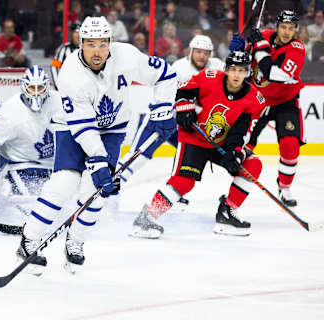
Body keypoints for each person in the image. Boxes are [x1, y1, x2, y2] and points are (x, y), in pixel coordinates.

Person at [16, 16, 177, 275]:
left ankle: (75, 242)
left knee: (96, 189)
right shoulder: (70, 74)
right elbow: (84, 129)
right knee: (65, 182)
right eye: (91, 44)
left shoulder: (127, 56)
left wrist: (163, 109)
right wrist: (99, 161)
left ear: (111, 43)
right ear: (81, 44)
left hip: (113, 129)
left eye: (103, 44)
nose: (98, 51)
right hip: (72, 128)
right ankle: (29, 240)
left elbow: (166, 75)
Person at [131, 50, 266, 239]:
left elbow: (241, 131)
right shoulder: (209, 77)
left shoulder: (253, 99)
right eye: (233, 69)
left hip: (222, 143)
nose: (236, 74)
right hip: (194, 138)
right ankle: (147, 217)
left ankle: (227, 212)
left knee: (253, 165)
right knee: (184, 181)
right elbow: (181, 90)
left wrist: (235, 153)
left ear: (248, 73)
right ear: (226, 69)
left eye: (241, 70)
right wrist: (184, 108)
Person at [118, 35, 224, 221]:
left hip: (184, 126)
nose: (201, 56)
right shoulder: (179, 69)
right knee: (136, 158)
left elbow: (234, 75)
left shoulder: (215, 67)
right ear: (190, 51)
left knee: (188, 160)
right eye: (198, 52)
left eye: (206, 53)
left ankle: (173, 193)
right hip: (160, 120)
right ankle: (110, 191)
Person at [0, 66, 62, 233]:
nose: (36, 93)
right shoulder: (9, 112)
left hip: (56, 166)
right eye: (32, 88)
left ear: (48, 86)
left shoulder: (61, 102)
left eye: (40, 88)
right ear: (24, 86)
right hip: (20, 166)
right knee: (28, 208)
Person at [243, 10, 306, 207]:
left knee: (290, 146)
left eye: (291, 28)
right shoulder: (266, 36)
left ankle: (285, 187)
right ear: (277, 26)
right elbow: (244, 64)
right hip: (258, 100)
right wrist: (243, 46)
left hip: (285, 101)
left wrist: (260, 48)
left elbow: (274, 73)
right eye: (284, 27)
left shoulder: (297, 49)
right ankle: (236, 189)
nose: (287, 32)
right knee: (243, 146)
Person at [51, 23, 80, 90]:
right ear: (72, 34)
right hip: (66, 88)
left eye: (80, 32)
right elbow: (54, 67)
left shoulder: (87, 50)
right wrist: (58, 86)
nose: (78, 35)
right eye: (75, 32)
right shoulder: (63, 49)